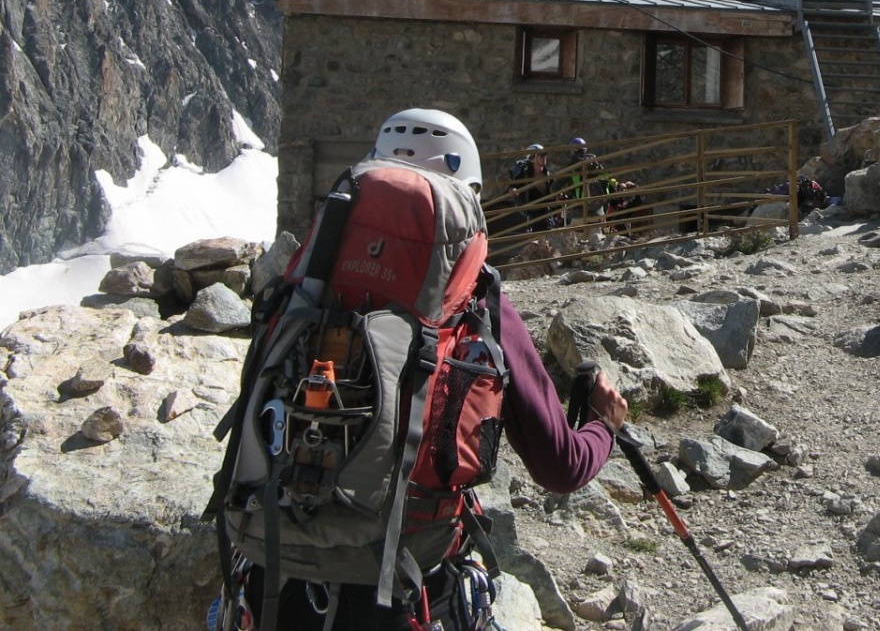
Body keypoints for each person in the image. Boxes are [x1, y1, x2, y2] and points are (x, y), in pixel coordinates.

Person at [232, 111, 627, 631]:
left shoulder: (304, 288)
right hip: (402, 586)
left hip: (273, 575)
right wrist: (605, 424)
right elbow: (562, 467)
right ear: (469, 195)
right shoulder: (477, 307)